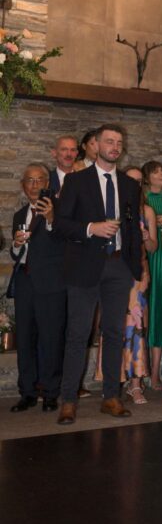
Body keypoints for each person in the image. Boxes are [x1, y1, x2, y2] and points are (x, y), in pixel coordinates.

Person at [54, 124, 143, 425]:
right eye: (109, 141)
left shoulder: (130, 185)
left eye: (119, 142)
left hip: (118, 267)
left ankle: (111, 397)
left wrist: (134, 269)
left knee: (115, 334)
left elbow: (132, 229)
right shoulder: (77, 181)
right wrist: (93, 228)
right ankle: (68, 401)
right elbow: (62, 224)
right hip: (83, 266)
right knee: (78, 334)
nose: (115, 146)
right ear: (95, 144)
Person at [92, 166, 157, 404]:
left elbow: (153, 248)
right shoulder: (113, 207)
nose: (136, 185)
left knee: (136, 326)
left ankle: (136, 384)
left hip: (138, 273)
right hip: (114, 271)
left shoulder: (146, 210)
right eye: (132, 180)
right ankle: (112, 379)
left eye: (140, 181)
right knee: (114, 325)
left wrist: (148, 239)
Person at [8, 164, 65, 413]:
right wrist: (17, 245)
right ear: (23, 185)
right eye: (29, 181)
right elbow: (16, 254)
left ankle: (51, 393)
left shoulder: (60, 212)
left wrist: (52, 219)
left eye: (39, 180)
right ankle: (28, 392)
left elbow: (65, 245)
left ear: (47, 184)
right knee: (25, 340)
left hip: (52, 284)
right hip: (25, 282)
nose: (34, 185)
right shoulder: (19, 215)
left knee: (51, 339)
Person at [142, 160, 162, 390]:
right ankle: (148, 372)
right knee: (150, 312)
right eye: (156, 171)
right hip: (150, 259)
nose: (161, 174)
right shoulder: (143, 202)